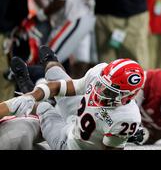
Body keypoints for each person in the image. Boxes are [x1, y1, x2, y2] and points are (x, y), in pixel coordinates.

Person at [0, 46, 144, 150]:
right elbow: (63, 87)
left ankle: (26, 85)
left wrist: (120, 135)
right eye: (102, 84)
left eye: (110, 91)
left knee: (43, 107)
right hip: (78, 114)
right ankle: (49, 63)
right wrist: (30, 97)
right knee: (55, 74)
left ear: (128, 96)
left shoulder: (126, 117)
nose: (101, 90)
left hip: (69, 143)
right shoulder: (99, 74)